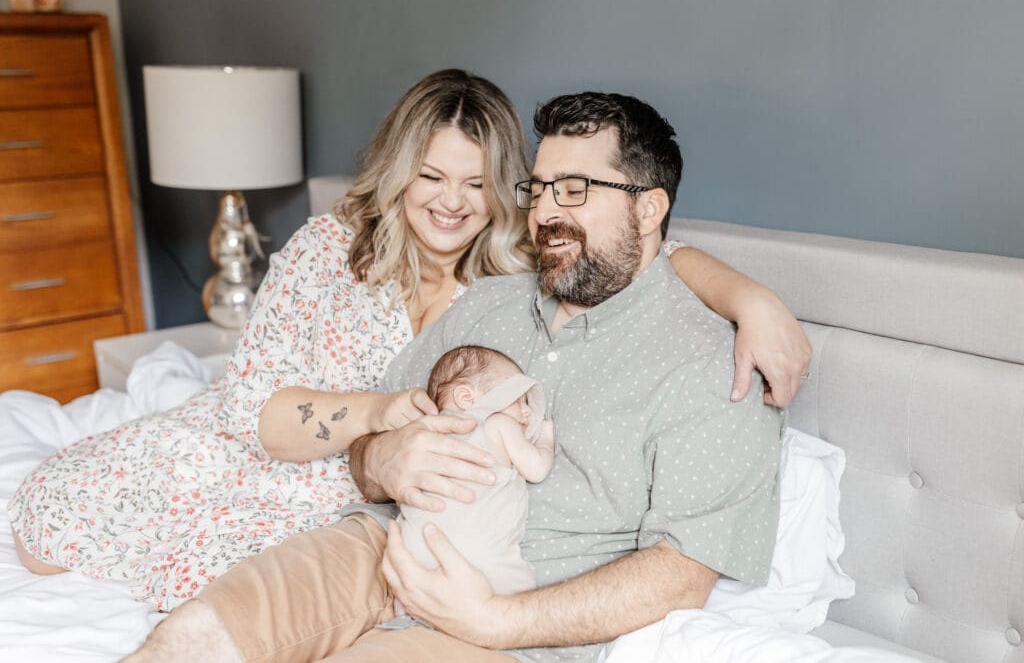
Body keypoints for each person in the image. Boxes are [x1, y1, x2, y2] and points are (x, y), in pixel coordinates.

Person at [11, 69, 805, 612]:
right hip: (274, 443)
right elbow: (259, 414)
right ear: (398, 172)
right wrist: (387, 413)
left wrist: (750, 298)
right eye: (431, 176)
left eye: (475, 182)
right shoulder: (331, 248)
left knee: (263, 579)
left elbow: (648, 252)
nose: (452, 203)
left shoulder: (528, 265)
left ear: (504, 189)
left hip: (362, 497)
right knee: (48, 521)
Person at [395, 344, 553, 602]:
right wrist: (546, 439)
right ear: (467, 398)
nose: (527, 411)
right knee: (519, 601)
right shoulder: (498, 423)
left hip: (414, 554)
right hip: (483, 562)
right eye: (518, 399)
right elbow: (536, 469)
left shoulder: (424, 433)